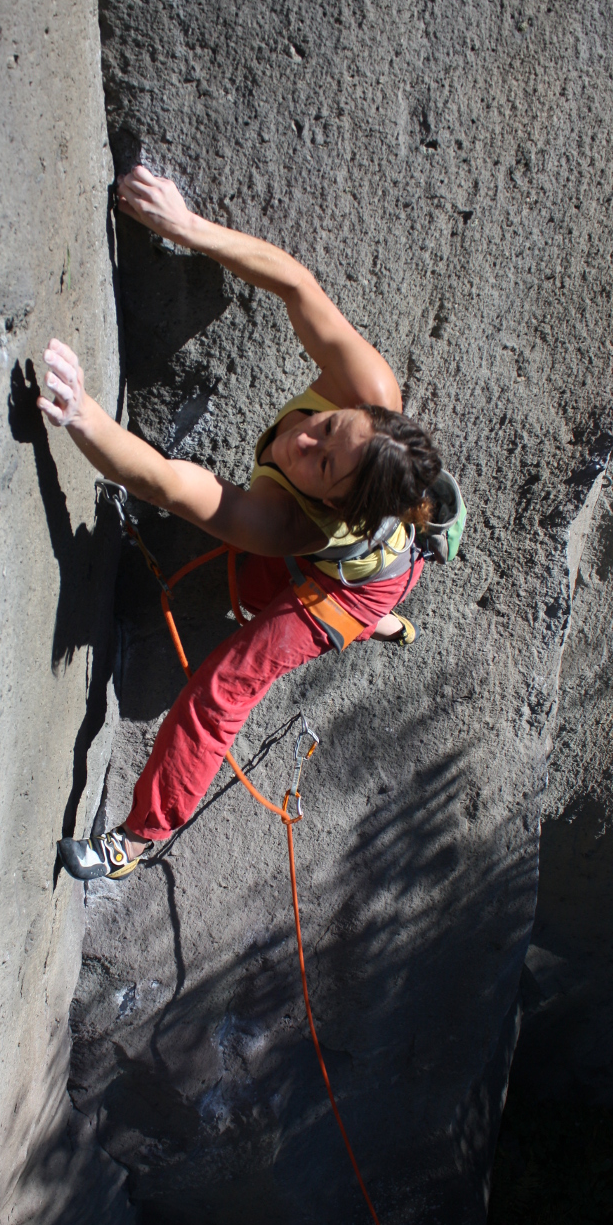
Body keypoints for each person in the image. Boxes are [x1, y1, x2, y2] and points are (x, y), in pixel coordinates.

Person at [42, 165, 441, 881]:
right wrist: (185, 227)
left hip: (348, 584)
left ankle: (137, 839)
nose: (303, 442)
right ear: (367, 409)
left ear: (332, 502)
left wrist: (83, 418)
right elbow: (297, 286)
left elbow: (165, 483)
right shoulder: (372, 392)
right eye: (326, 424)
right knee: (247, 586)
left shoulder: (292, 525)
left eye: (321, 464)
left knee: (223, 684)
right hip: (371, 538)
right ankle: (387, 614)